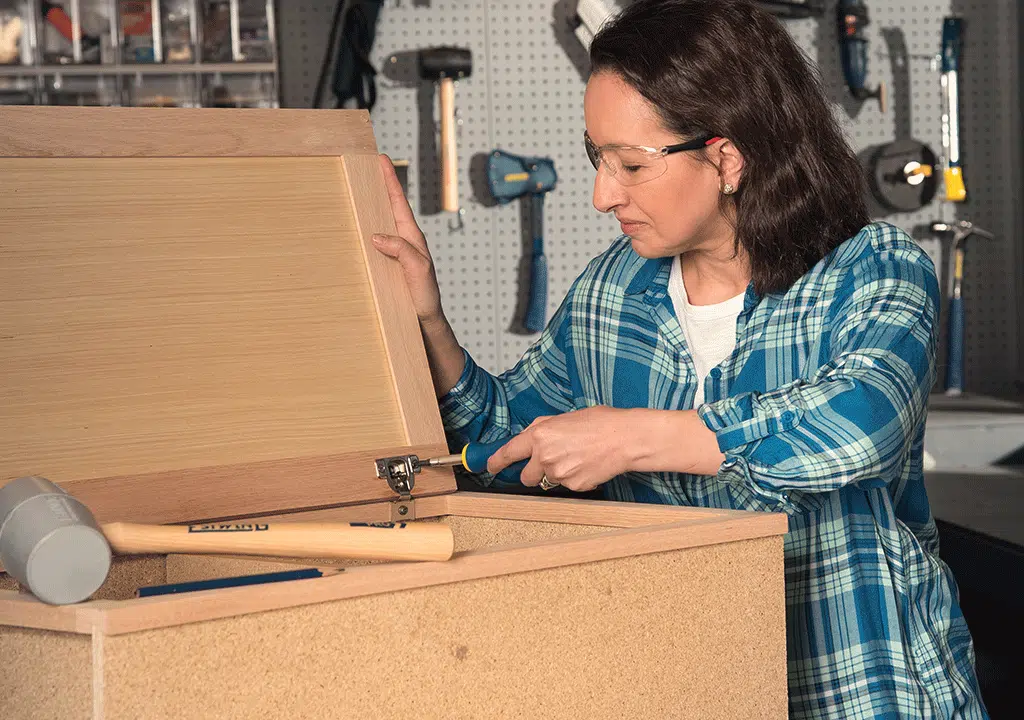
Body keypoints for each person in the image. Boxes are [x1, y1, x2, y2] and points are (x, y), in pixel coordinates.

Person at [370, 0, 988, 717]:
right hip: (695, 688)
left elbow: (861, 426)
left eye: (631, 164)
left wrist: (631, 438)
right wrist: (428, 322)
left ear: (725, 158)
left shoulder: (871, 271)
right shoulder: (611, 293)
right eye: (597, 158)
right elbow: (504, 440)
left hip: (864, 692)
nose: (604, 195)